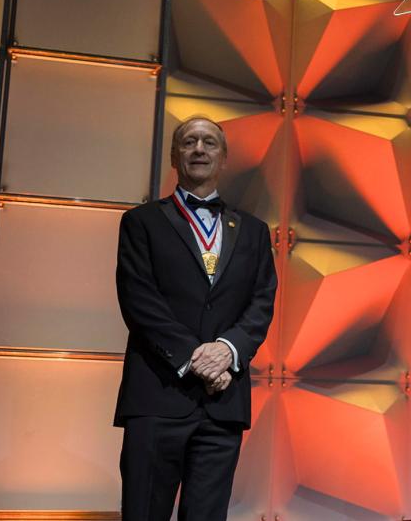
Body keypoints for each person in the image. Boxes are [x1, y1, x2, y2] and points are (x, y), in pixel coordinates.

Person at [114, 116, 277, 519]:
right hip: (157, 396)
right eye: (189, 142)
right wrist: (198, 361)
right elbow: (140, 300)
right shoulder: (141, 222)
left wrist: (227, 351)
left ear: (224, 158)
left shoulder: (254, 231)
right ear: (175, 156)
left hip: (224, 401)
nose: (199, 149)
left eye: (209, 143)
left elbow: (262, 300)